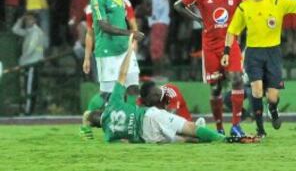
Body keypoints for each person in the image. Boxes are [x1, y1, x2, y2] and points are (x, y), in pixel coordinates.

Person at [82, 34, 258, 144]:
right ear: (100, 110)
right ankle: (223, 139)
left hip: (146, 137)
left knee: (183, 140)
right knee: (190, 128)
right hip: (148, 116)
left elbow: (125, 143)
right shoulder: (113, 103)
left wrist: (88, 126)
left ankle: (204, 138)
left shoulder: (107, 136)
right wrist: (130, 50)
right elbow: (122, 74)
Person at [222, 0, 296, 137]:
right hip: (253, 54)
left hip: (273, 53)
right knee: (257, 91)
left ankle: (273, 109)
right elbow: (232, 31)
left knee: (273, 97)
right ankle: (260, 130)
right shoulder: (244, 7)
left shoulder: (277, 2)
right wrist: (226, 52)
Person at [174, 0, 248, 137]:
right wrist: (198, 19)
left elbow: (249, 11)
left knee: (237, 79)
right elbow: (178, 5)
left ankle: (236, 126)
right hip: (210, 47)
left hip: (230, 44)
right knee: (216, 87)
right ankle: (220, 127)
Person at [90, 0, 144, 103]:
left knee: (133, 87)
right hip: (107, 51)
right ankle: (92, 118)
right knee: (107, 95)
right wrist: (130, 33)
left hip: (125, 49)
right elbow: (104, 26)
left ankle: (132, 118)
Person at [12, 13, 46, 115]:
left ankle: (28, 111)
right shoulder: (29, 31)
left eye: (30, 19)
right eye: (26, 20)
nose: (27, 21)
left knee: (29, 88)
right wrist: (20, 19)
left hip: (32, 63)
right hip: (28, 63)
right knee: (27, 87)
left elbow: (31, 49)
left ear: (35, 20)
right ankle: (26, 109)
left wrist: (22, 59)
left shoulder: (36, 32)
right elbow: (15, 30)